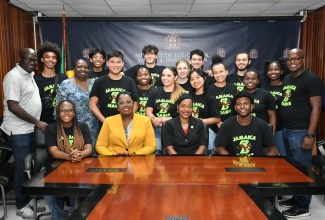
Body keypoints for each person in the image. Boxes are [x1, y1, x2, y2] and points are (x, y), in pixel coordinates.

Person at [1, 48, 47, 219]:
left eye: (35, 60)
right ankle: (21, 205)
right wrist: (37, 122)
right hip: (19, 130)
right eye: (29, 59)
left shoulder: (29, 74)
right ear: (20, 59)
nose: (33, 63)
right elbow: (13, 106)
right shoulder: (14, 77)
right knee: (22, 166)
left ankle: (29, 200)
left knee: (31, 164)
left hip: (30, 129)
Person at [279, 48, 323, 218]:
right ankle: (296, 198)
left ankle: (303, 206)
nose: (292, 62)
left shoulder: (312, 80)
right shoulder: (288, 78)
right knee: (293, 168)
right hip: (287, 129)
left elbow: (317, 108)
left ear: (303, 59)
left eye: (296, 59)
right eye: (289, 59)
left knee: (303, 169)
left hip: (301, 131)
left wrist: (310, 135)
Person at [44, 100, 92, 220]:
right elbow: (54, 152)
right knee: (51, 194)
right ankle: (59, 217)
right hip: (55, 167)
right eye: (63, 110)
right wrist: (69, 157)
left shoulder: (83, 127)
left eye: (70, 110)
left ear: (74, 112)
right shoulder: (50, 128)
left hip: (78, 166)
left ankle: (76, 216)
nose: (66, 113)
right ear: (58, 112)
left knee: (79, 191)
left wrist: (79, 154)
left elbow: (89, 149)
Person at [215, 91, 278, 156]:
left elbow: (273, 149)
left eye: (246, 103)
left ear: (252, 106)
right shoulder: (227, 125)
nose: (242, 106)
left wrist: (263, 163)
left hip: (256, 164)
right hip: (234, 163)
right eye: (239, 104)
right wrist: (231, 160)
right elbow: (219, 148)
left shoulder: (262, 125)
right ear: (235, 107)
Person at [56, 59, 98, 152]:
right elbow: (59, 107)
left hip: (93, 127)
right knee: (74, 154)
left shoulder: (94, 83)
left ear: (88, 70)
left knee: (92, 155)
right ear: (74, 69)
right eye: (79, 67)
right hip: (72, 127)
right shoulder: (65, 84)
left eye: (85, 67)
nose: (82, 69)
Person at [89, 50, 139, 127]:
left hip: (125, 125)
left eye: (118, 62)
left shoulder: (129, 81)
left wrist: (127, 119)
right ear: (107, 63)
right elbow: (92, 104)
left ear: (122, 64)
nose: (115, 65)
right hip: (106, 125)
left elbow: (135, 103)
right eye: (112, 62)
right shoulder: (99, 81)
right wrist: (105, 121)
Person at [146, 66, 186, 155]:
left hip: (175, 130)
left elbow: (182, 114)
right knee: (157, 155)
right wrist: (154, 120)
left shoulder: (182, 94)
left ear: (175, 77)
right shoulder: (155, 91)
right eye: (163, 75)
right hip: (157, 129)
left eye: (168, 75)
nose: (165, 78)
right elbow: (148, 110)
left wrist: (160, 120)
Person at [188, 68, 220, 154]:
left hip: (207, 130)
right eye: (192, 79)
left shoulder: (211, 98)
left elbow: (217, 119)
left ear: (204, 78)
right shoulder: (187, 97)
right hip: (189, 130)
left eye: (198, 77)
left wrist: (198, 121)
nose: (195, 81)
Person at [34, 41, 67, 124]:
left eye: (54, 57)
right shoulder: (35, 79)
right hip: (43, 122)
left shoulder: (63, 77)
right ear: (42, 59)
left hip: (61, 121)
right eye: (47, 57)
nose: (51, 60)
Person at [262, 59, 286, 156]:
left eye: (276, 69)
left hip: (282, 128)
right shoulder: (263, 88)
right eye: (270, 69)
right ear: (267, 72)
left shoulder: (286, 87)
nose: (273, 72)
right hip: (266, 128)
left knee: (283, 156)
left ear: (281, 71)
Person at [243, 68, 276, 134]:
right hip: (244, 132)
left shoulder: (266, 94)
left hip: (262, 132)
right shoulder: (239, 95)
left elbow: (272, 116)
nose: (250, 81)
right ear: (243, 81)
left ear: (258, 81)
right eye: (247, 79)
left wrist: (271, 135)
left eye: (253, 79)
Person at [208, 55, 237, 129]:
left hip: (232, 126)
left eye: (221, 71)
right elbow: (207, 110)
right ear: (213, 74)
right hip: (214, 128)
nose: (219, 75)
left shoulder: (233, 88)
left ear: (227, 72)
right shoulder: (208, 90)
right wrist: (217, 122)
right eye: (216, 73)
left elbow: (237, 107)